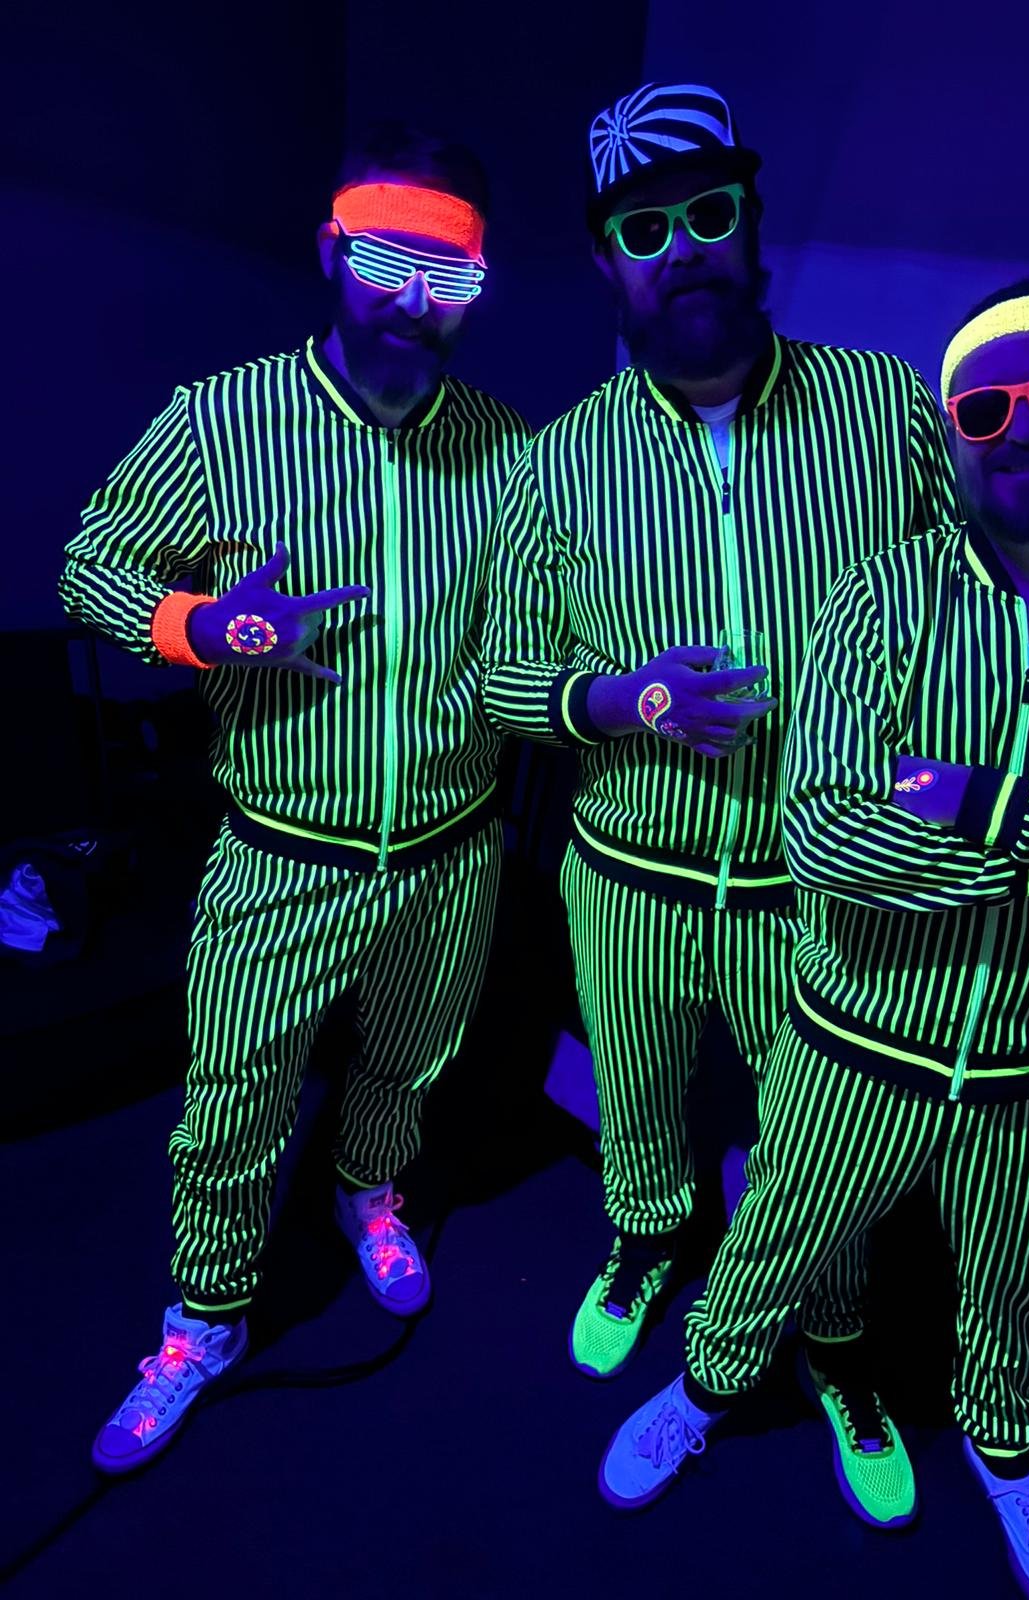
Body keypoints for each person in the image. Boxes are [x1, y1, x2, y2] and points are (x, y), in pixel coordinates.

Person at [602, 284, 1029, 1599]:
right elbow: (825, 839)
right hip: (851, 1047)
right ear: (954, 430)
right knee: (770, 1247)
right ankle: (702, 1397)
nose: (1026, 429)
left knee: (1018, 1291)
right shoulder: (878, 597)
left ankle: (1006, 1455)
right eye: (990, 408)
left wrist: (997, 805)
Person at [481, 77, 957, 1488]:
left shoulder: (885, 408)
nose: (680, 245)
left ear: (751, 230)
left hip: (823, 886)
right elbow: (505, 682)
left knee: (818, 1152)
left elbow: (966, 608)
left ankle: (840, 1345)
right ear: (608, 262)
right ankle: (642, 1244)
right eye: (645, 227)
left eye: (707, 212)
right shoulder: (556, 460)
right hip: (626, 877)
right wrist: (618, 700)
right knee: (636, 1100)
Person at [61, 123, 529, 1473]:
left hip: (452, 852)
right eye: (387, 259)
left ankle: (366, 1190)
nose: (412, 301)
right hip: (283, 853)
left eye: (451, 278)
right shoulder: (219, 420)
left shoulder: (504, 449)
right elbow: (90, 569)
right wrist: (203, 630)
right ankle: (203, 1319)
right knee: (233, 1099)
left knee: (411, 1061)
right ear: (332, 251)